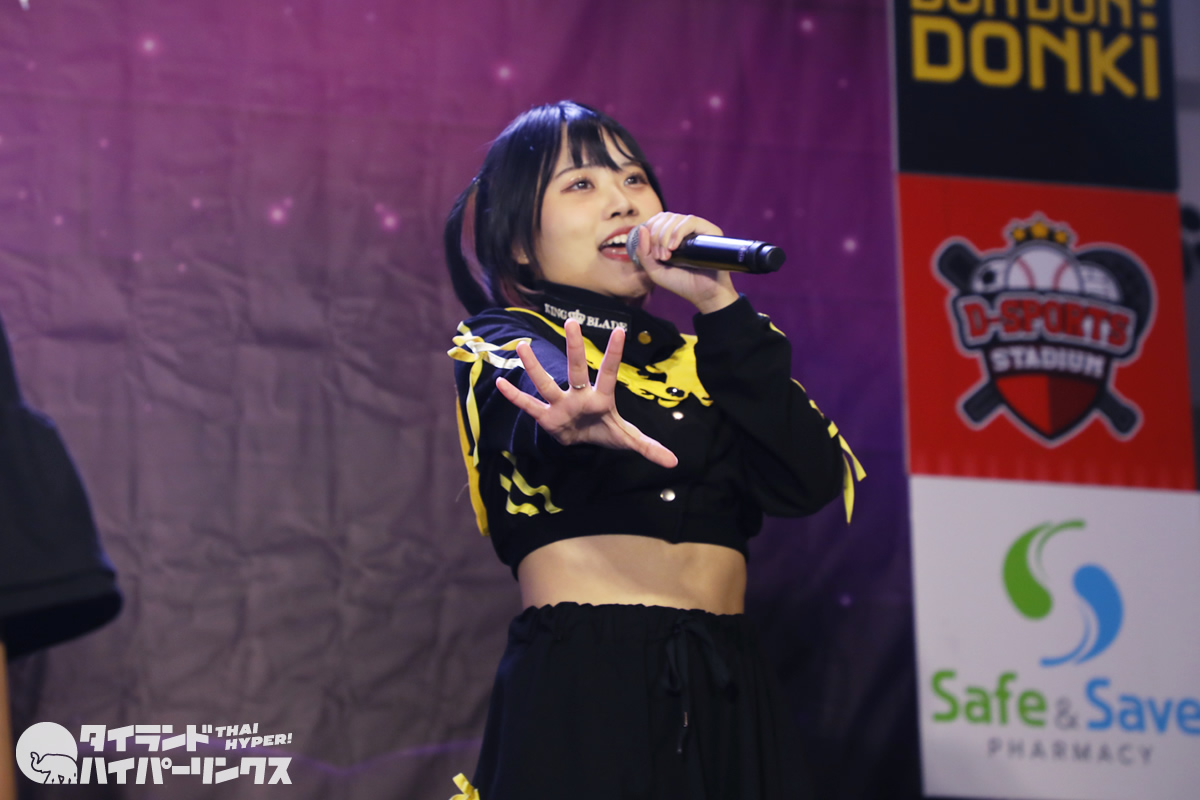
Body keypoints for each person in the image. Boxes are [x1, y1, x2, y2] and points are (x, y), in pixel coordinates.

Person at [443, 100, 863, 800]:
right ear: (518, 241)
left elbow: (809, 479)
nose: (623, 201)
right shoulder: (501, 339)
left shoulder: (716, 355)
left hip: (731, 682)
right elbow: (528, 406)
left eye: (635, 179)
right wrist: (564, 423)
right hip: (589, 681)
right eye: (582, 184)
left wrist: (719, 305)